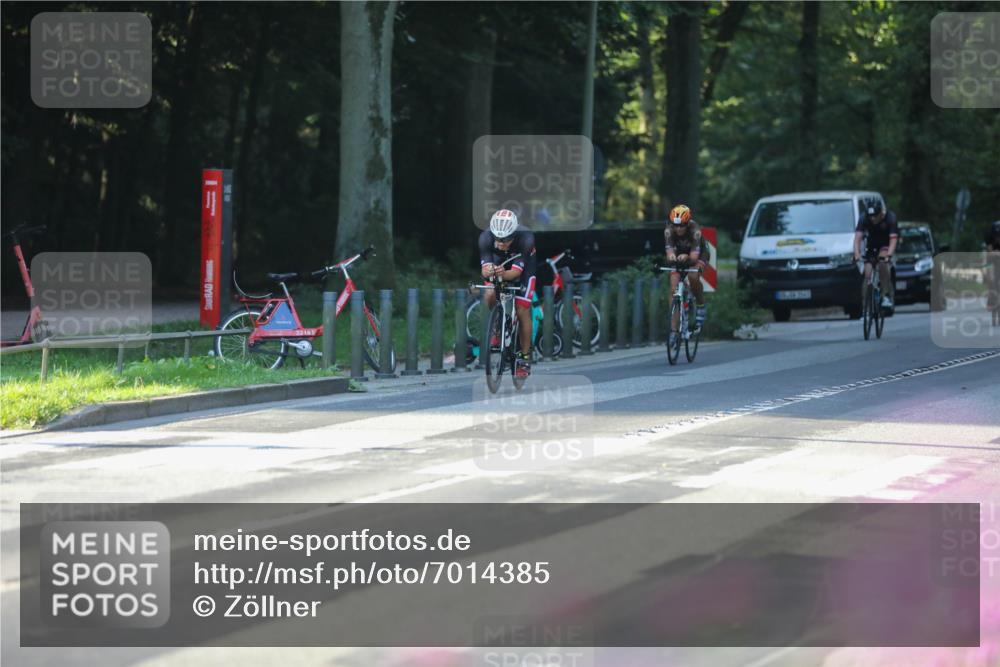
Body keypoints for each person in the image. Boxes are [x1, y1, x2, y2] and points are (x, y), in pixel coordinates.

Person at [478, 209, 536, 378]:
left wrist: (503, 274)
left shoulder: (526, 238)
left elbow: (516, 273)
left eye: (505, 240)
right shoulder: (485, 238)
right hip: (498, 262)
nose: (501, 243)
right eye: (497, 239)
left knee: (522, 309)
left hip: (524, 268)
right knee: (489, 293)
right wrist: (489, 271)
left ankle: (525, 358)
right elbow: (484, 271)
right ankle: (498, 324)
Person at [664, 204, 707, 338]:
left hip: (698, 254)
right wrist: (672, 257)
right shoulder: (668, 231)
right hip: (680, 255)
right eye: (675, 225)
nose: (678, 228)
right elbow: (669, 252)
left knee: (693, 276)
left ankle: (701, 305)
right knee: (673, 289)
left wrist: (687, 256)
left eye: (682, 225)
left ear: (687, 223)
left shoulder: (695, 231)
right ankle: (674, 331)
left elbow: (694, 257)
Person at [853, 198, 899, 310]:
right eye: (870, 216)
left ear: (881, 213)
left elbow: (893, 240)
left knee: (883, 262)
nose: (872, 218)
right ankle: (867, 303)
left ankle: (885, 295)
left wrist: (889, 255)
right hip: (872, 244)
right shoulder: (864, 218)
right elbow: (857, 239)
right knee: (867, 273)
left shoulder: (890, 218)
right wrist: (857, 254)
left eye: (875, 215)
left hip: (885, 244)